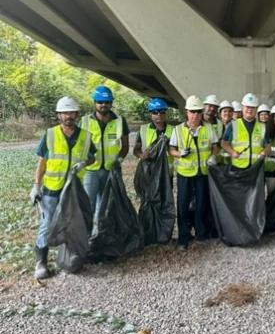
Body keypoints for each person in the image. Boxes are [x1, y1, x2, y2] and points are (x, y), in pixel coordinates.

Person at [30, 97, 96, 279]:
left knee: (73, 222)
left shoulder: (85, 136)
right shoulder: (50, 135)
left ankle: (70, 257)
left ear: (76, 115)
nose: (68, 116)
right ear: (59, 115)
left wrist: (84, 162)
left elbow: (93, 157)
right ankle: (41, 262)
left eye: (71, 113)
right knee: (47, 223)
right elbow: (41, 163)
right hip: (52, 189)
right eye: (65, 113)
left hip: (74, 189)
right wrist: (36, 185)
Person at [169, 95, 219, 250]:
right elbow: (171, 150)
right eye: (192, 112)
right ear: (186, 112)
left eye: (198, 112)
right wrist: (179, 153)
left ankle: (201, 232)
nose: (196, 115)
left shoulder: (208, 128)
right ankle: (183, 237)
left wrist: (213, 156)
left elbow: (216, 146)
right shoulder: (177, 130)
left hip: (203, 173)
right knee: (183, 205)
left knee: (202, 204)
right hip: (185, 174)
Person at [80, 85, 129, 217]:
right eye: (100, 102)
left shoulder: (120, 122)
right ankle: (88, 235)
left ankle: (101, 234)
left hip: (110, 170)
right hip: (90, 170)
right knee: (88, 204)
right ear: (94, 103)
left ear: (111, 103)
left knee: (106, 205)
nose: (103, 105)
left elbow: (125, 146)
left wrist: (118, 160)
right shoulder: (84, 122)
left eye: (107, 102)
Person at [220, 93, 268, 170]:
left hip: (256, 167)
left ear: (256, 109)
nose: (250, 109)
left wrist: (265, 151)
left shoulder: (262, 126)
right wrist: (232, 152)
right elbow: (224, 143)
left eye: (252, 107)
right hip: (238, 167)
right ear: (243, 108)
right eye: (247, 107)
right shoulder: (233, 125)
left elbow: (268, 145)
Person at [133, 98, 174, 176]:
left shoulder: (173, 130)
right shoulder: (143, 129)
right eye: (155, 112)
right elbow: (136, 149)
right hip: (149, 172)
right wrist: (142, 155)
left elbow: (177, 150)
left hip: (166, 173)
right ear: (150, 114)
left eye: (162, 111)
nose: (159, 114)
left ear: (165, 113)